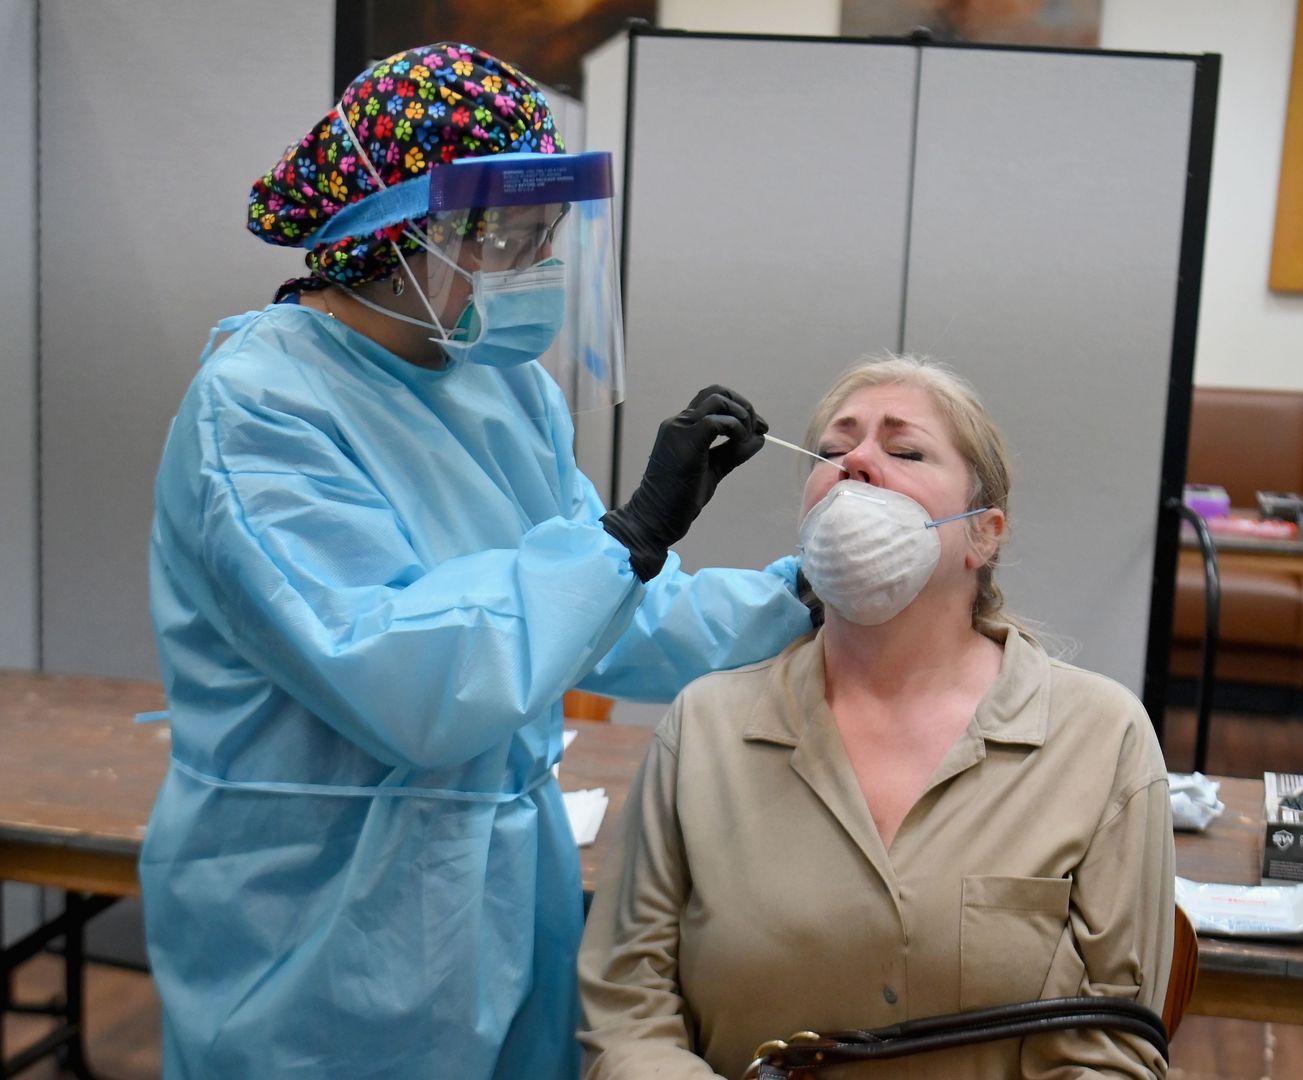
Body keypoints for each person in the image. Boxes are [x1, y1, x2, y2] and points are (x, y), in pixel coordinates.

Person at [140, 43, 814, 1079]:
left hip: (500, 889)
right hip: (317, 920)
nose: (531, 265)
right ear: (393, 231)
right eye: (505, 236)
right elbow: (402, 679)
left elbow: (609, 616)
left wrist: (801, 598)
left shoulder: (503, 389)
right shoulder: (260, 407)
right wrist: (622, 541)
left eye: (545, 235)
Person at [577, 356, 1175, 1079]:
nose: (854, 462)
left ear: (983, 534)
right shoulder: (704, 730)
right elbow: (627, 1012)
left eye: (904, 450)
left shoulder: (1100, 738)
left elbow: (1114, 1039)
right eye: (831, 452)